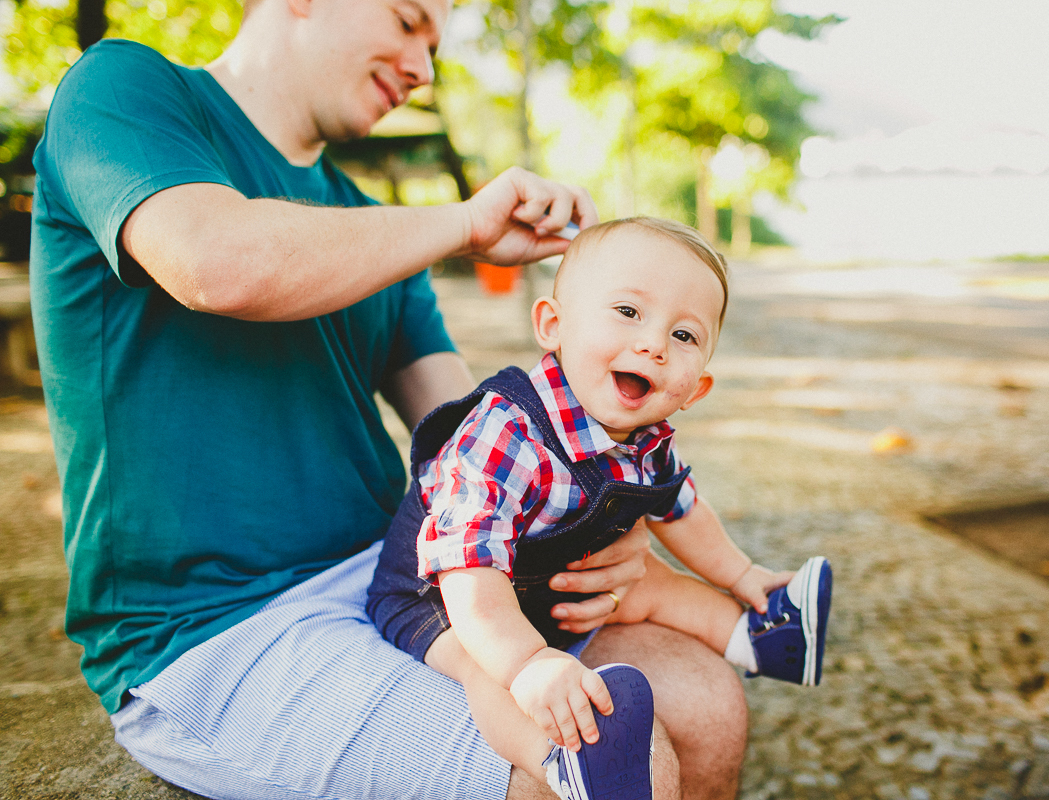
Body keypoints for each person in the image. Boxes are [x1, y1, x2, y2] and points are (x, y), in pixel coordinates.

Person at [27, 0, 750, 796]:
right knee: (618, 766)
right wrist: (466, 224)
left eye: (435, 44)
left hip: (388, 578)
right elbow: (215, 261)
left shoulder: (373, 224)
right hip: (212, 630)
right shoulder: (121, 87)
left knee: (709, 702)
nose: (424, 68)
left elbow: (484, 433)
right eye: (409, 21)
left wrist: (594, 524)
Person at [367, 218, 834, 800]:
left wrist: (744, 575)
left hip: (542, 584)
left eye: (684, 336)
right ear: (553, 326)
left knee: (657, 589)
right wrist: (528, 663)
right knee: (479, 666)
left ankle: (762, 635)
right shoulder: (505, 433)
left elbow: (683, 512)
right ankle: (561, 760)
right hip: (442, 594)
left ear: (698, 388)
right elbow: (466, 568)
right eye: (629, 313)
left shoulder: (646, 437)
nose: (654, 344)